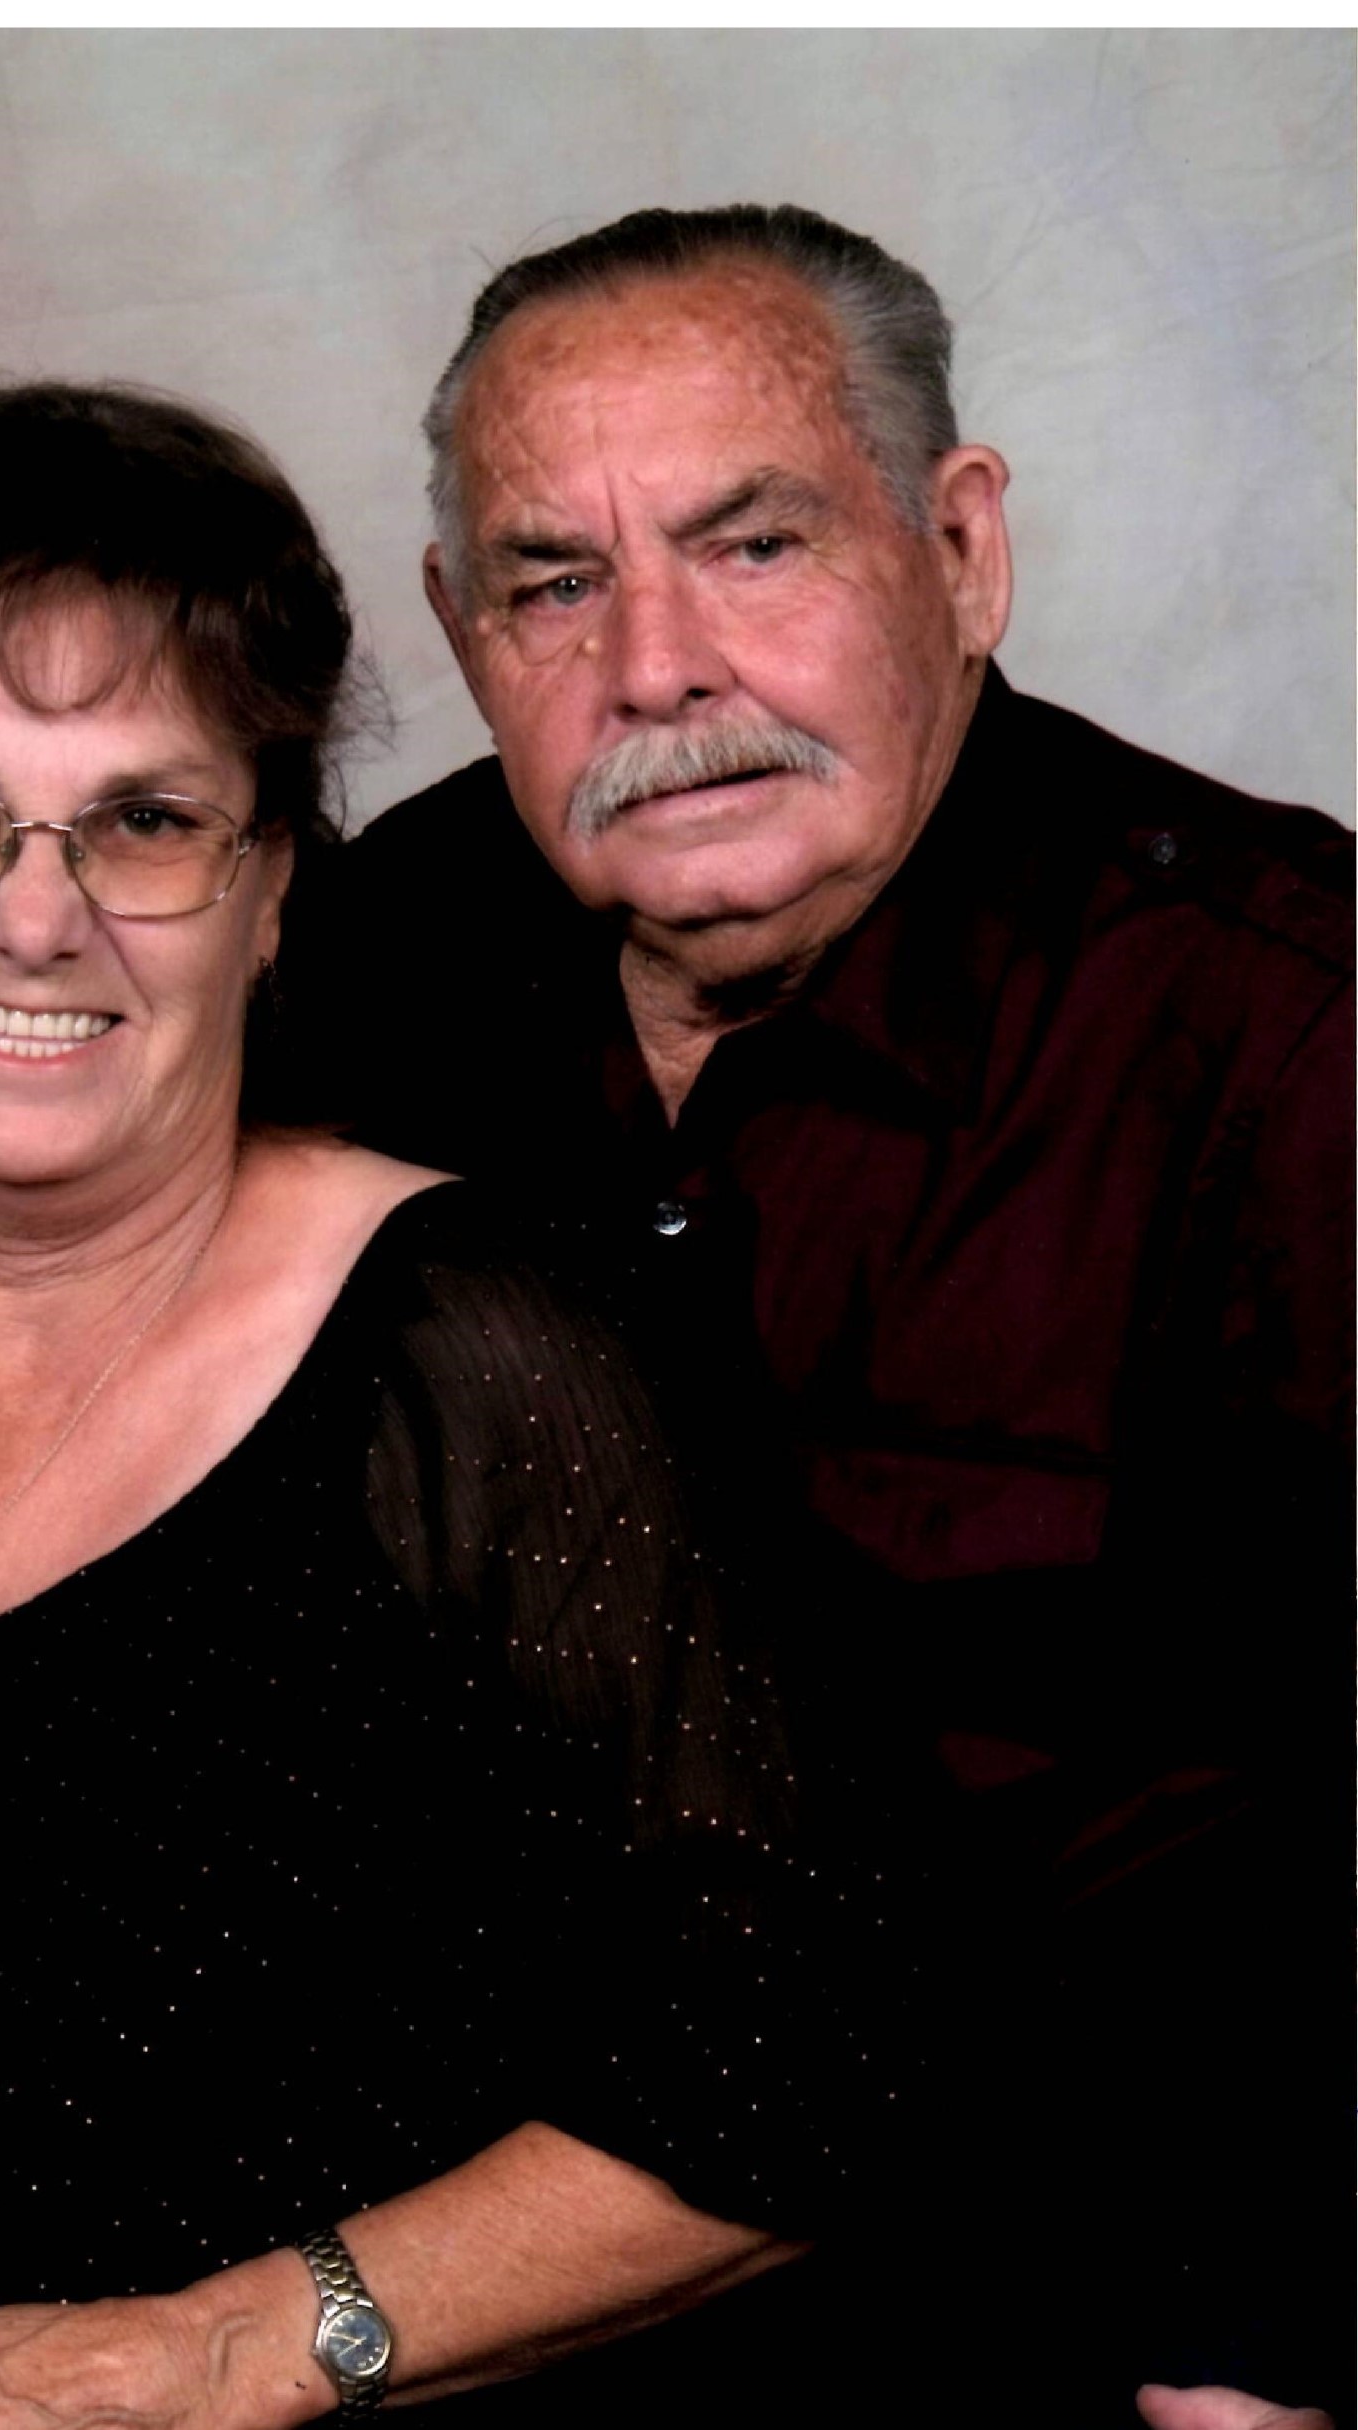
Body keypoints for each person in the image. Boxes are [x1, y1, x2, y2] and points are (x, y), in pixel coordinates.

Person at [0, 380, 893, 2430]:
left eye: (144, 820)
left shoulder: (486, 1359)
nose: (36, 916)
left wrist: (222, 2347)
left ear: (271, 885)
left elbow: (800, 2062)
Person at [281, 206, 1353, 2425]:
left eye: (753, 546)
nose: (656, 670)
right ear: (460, 634)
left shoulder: (1285, 1027)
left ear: (961, 552)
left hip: (1063, 2289)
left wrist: (1266, 2323)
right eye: (555, 585)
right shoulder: (367, 970)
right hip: (446, 2273)